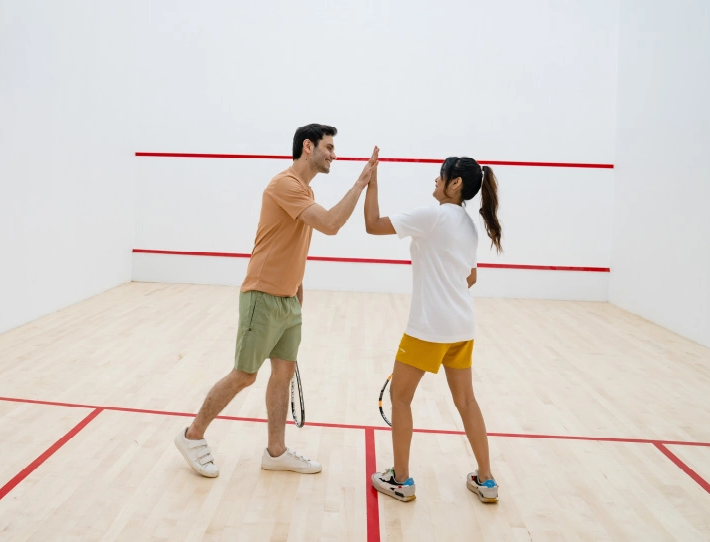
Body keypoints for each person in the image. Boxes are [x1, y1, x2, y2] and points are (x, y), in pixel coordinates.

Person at [175, 124, 379, 477]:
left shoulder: (304, 190)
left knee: (282, 374)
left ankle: (276, 450)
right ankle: (192, 436)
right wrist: (361, 183)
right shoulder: (285, 185)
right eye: (329, 147)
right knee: (243, 375)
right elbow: (330, 225)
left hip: (287, 301)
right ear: (307, 147)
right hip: (262, 296)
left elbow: (293, 243)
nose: (334, 154)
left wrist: (297, 290)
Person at [363, 156, 503, 503]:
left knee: (401, 398)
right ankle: (486, 481)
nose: (435, 180)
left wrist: (372, 182)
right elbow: (470, 277)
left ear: (455, 183)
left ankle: (401, 479)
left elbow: (372, 224)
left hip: (428, 328)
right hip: (462, 326)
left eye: (440, 176)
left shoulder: (432, 215)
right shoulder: (469, 225)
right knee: (467, 401)